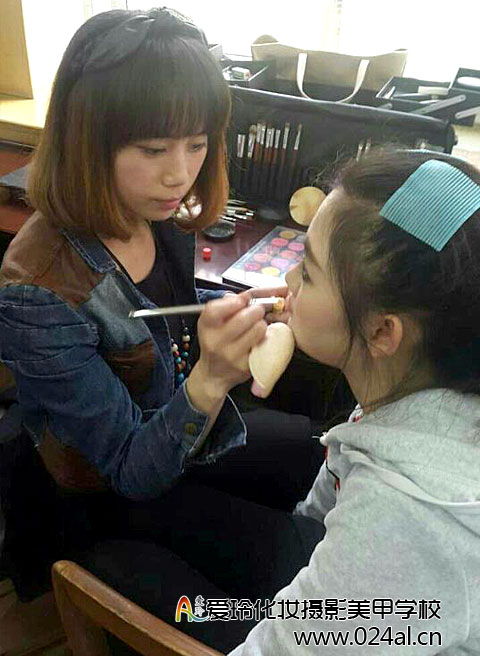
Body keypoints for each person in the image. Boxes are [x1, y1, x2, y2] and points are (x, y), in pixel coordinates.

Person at [80, 147, 480, 654]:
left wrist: (210, 379)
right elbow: (317, 526)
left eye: (307, 272)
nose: (288, 281)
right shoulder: (427, 381)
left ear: (383, 331)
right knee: (145, 515)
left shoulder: (409, 519)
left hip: (363, 613)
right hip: (340, 582)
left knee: (117, 570)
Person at [0, 7, 322, 600]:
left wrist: (232, 306)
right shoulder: (36, 290)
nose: (180, 174)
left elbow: (162, 309)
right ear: (86, 143)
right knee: (292, 567)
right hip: (106, 493)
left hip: (180, 426)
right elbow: (128, 469)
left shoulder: (153, 209)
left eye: (197, 144)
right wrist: (212, 377)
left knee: (313, 454)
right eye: (152, 149)